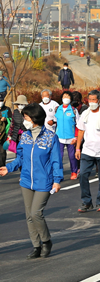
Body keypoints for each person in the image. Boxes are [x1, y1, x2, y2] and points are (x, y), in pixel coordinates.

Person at [0, 103, 63, 259]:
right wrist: (9, 167)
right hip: (26, 181)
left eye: (26, 117)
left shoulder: (50, 137)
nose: (24, 120)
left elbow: (56, 160)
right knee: (29, 215)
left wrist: (57, 180)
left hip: (44, 181)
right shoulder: (26, 136)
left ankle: (46, 241)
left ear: (34, 118)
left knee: (36, 213)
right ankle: (36, 245)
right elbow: (20, 158)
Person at [55, 91, 79, 180]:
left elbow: (78, 124)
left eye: (68, 97)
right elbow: (55, 121)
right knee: (58, 157)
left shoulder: (74, 110)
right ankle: (58, 174)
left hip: (71, 137)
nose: (66, 98)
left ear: (71, 99)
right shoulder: (58, 109)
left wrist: (76, 137)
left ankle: (74, 172)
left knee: (72, 156)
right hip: (59, 136)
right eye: (64, 96)